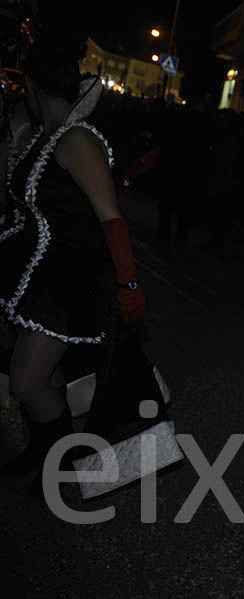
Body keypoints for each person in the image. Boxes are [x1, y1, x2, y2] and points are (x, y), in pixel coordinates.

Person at [0, 25, 147, 480]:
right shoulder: (38, 137)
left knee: (27, 382)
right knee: (39, 377)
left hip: (69, 285)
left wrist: (129, 286)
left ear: (34, 86)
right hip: (38, 278)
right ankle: (46, 455)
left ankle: (57, 460)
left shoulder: (77, 139)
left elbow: (111, 217)